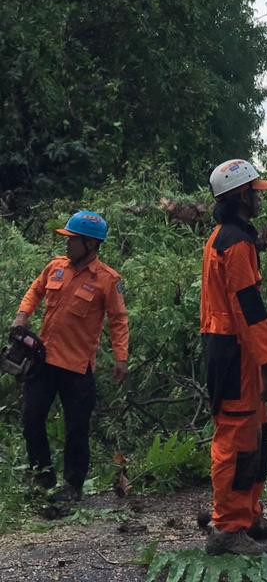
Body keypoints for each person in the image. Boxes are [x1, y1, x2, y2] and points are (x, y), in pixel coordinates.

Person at [13, 211, 129, 502]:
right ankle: (43, 479)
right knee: (31, 418)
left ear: (90, 244)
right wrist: (22, 315)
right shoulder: (55, 268)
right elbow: (34, 291)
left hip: (77, 367)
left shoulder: (107, 280)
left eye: (73, 240)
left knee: (76, 428)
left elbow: (118, 319)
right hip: (43, 361)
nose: (67, 245)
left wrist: (121, 357)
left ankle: (72, 486)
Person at [201, 158, 267, 556]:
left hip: (237, 348)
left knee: (255, 434)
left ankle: (248, 514)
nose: (259, 197)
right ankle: (227, 527)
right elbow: (247, 307)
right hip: (234, 351)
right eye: (254, 191)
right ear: (239, 196)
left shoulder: (232, 236)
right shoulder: (234, 243)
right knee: (236, 438)